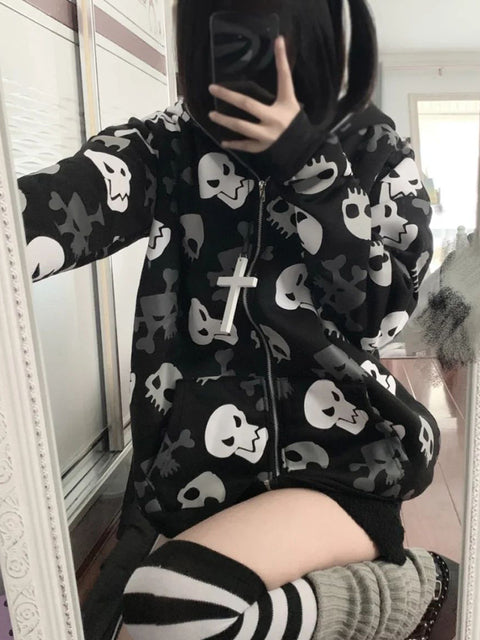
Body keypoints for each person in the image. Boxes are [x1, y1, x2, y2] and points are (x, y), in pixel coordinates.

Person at [17, 0, 458, 638]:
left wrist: (310, 164)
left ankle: (402, 591)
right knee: (117, 617)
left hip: (342, 465)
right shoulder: (170, 142)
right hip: (194, 472)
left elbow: (383, 310)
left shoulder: (374, 147)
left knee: (170, 611)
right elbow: (72, 199)